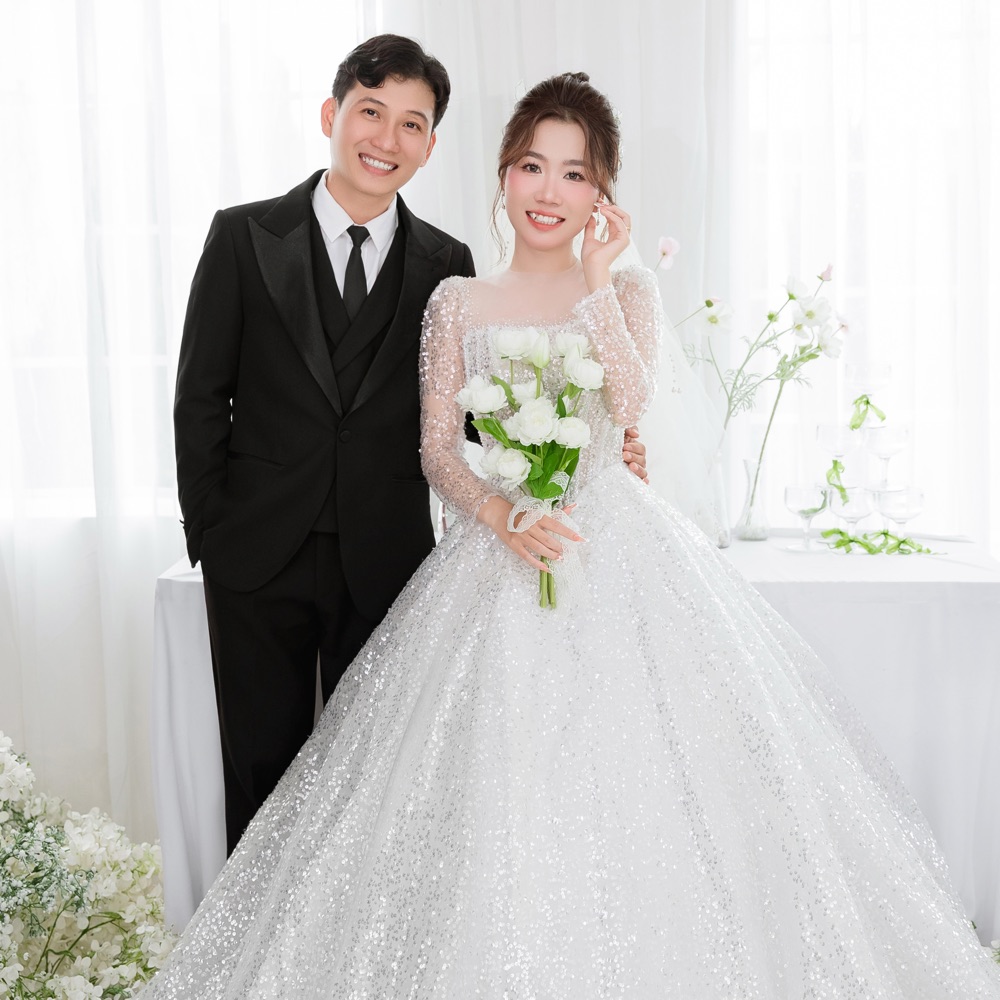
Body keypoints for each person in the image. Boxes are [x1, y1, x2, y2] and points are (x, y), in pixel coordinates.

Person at [148, 73, 1000, 997]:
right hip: (496, 547)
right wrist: (501, 512)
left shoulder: (624, 292)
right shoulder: (457, 297)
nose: (548, 191)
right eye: (531, 166)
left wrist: (598, 283)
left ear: (601, 194)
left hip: (617, 552)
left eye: (574, 173)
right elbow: (436, 448)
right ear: (503, 175)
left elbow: (630, 404)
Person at [172, 35, 649, 855]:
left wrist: (598, 453)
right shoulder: (243, 237)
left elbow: (475, 421)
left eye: (412, 124)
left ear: (431, 146)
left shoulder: (445, 264)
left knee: (375, 784)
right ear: (332, 114)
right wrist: (212, 531)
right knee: (258, 773)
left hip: (386, 559)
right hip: (255, 553)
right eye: (370, 112)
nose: (386, 139)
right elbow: (199, 396)